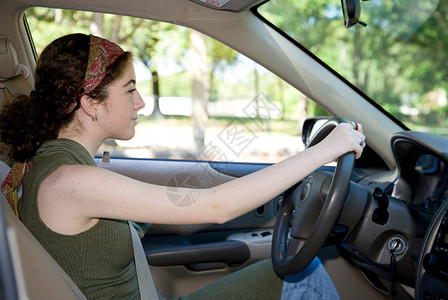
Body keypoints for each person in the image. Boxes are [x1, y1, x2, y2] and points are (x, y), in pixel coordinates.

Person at [0, 33, 365, 299]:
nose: (141, 102)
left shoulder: (47, 162)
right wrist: (322, 152)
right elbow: (215, 207)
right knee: (304, 275)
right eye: (129, 89)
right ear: (90, 104)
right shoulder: (71, 181)